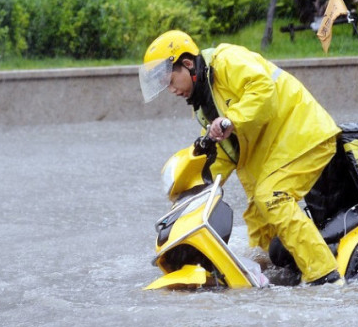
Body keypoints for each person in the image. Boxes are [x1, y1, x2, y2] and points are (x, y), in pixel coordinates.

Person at [139, 30, 343, 285]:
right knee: (257, 215)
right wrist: (200, 185)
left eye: (171, 81)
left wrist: (231, 119)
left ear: (188, 64)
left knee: (272, 197)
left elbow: (263, 91)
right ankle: (272, 275)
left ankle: (325, 277)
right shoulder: (203, 102)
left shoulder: (227, 60)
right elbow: (228, 151)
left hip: (304, 134)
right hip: (278, 147)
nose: (171, 90)